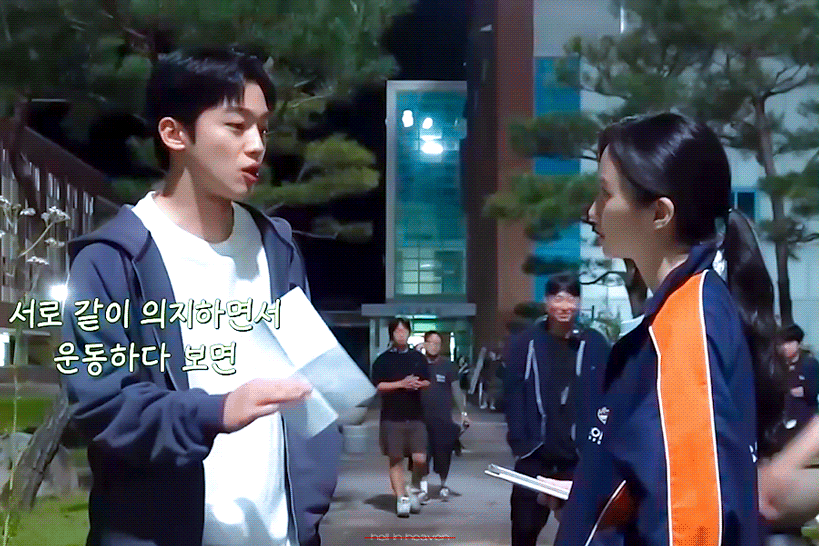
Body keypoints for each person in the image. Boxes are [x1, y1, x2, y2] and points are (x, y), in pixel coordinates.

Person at [60, 47, 341, 546]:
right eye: (236, 126)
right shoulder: (111, 260)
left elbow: (317, 391)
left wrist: (311, 510)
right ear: (174, 134)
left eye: (263, 129)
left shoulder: (277, 248)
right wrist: (217, 412)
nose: (256, 146)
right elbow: (103, 408)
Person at [555, 112, 788, 546]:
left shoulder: (685, 327)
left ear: (660, 213)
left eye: (605, 194)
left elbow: (691, 526)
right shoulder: (686, 309)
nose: (591, 212)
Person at [503, 271, 611, 546]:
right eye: (558, 299)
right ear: (547, 301)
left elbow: (610, 393)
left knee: (582, 532)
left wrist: (600, 443)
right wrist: (520, 440)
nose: (564, 306)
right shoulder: (525, 343)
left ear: (579, 303)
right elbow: (513, 393)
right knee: (524, 529)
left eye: (571, 299)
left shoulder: (594, 343)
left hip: (579, 456)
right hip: (535, 453)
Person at [759, 323, 819, 544]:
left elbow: (811, 390)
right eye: (783, 343)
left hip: (803, 426)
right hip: (784, 431)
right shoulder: (777, 367)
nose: (786, 347)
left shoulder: (809, 365)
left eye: (790, 342)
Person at [371, 318, 431, 517]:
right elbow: (379, 386)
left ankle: (413, 488)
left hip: (416, 415)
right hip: (392, 416)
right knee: (396, 459)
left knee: (420, 458)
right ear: (392, 334)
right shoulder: (383, 359)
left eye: (404, 331)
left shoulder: (418, 358)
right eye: (397, 331)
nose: (401, 335)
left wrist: (417, 384)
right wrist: (401, 384)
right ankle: (401, 498)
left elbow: (427, 381)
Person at [419, 330, 470, 500]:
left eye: (437, 344)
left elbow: (456, 390)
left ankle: (443, 485)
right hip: (420, 418)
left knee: (443, 454)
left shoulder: (449, 366)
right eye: (430, 343)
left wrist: (463, 413)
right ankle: (423, 488)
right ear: (424, 343)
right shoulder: (418, 364)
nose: (434, 346)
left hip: (442, 418)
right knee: (422, 454)